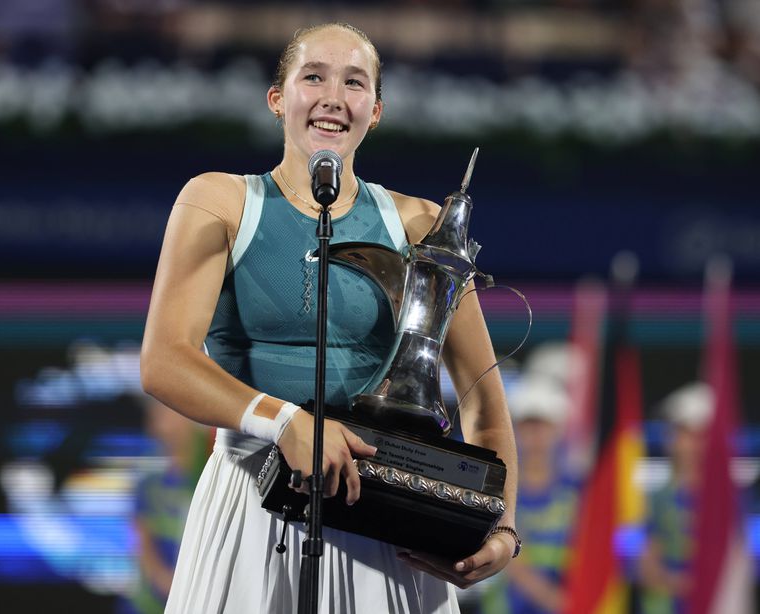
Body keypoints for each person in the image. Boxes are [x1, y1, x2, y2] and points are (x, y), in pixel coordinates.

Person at [140, 22, 518, 613]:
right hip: (251, 503)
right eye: (313, 76)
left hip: (388, 523)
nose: (333, 97)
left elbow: (486, 407)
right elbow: (164, 360)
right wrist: (286, 422)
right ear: (277, 98)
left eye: (355, 82)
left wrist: (503, 528)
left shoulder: (421, 225)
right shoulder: (218, 201)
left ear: (376, 111)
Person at [479, 371, 580, 614]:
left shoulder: (579, 492)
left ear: (558, 429)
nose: (536, 435)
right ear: (515, 429)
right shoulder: (494, 489)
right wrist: (553, 598)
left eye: (543, 425)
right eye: (528, 424)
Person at [125, 395, 210, 614]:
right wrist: (165, 581)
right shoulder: (149, 481)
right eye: (158, 415)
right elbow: (141, 539)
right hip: (150, 604)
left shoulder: (208, 479)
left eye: (169, 412)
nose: (162, 422)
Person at [638, 381, 712, 614]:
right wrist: (680, 584)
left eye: (700, 435)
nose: (691, 445)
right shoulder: (657, 498)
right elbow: (646, 567)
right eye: (683, 433)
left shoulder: (725, 502)